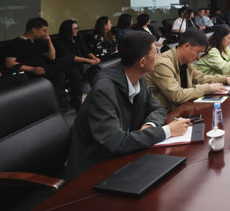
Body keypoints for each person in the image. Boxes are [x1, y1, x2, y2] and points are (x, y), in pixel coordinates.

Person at [64, 31, 190, 180]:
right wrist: (166, 131)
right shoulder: (103, 90)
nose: (158, 56)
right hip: (94, 169)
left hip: (125, 156)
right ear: (142, 62)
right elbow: (117, 143)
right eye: (155, 53)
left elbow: (158, 108)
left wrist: (149, 125)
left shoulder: (137, 76)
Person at [145, 29, 230, 110]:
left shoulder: (186, 61)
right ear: (187, 46)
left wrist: (224, 79)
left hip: (182, 108)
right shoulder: (163, 64)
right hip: (165, 115)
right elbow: (176, 95)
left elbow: (200, 77)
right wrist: (208, 88)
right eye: (198, 52)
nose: (198, 57)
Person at [2, 17, 73, 104]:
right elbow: (9, 63)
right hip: (29, 73)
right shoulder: (15, 43)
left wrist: (49, 42)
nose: (45, 33)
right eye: (44, 30)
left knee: (67, 71)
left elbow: (52, 57)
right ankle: (51, 102)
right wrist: (32, 69)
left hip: (44, 70)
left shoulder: (38, 42)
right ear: (34, 30)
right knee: (60, 76)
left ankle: (59, 100)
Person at [53, 20, 101, 89]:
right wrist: (89, 61)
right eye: (74, 29)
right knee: (77, 73)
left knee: (96, 69)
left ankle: (96, 88)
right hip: (69, 66)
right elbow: (71, 57)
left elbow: (86, 50)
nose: (77, 30)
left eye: (77, 28)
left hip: (81, 64)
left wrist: (95, 58)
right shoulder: (60, 42)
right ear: (68, 30)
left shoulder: (78, 39)